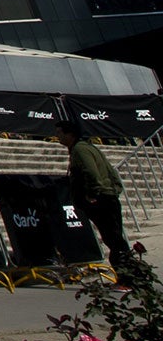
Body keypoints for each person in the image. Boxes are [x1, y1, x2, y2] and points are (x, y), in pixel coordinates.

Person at [56, 119, 139, 278]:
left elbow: (91, 172)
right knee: (114, 238)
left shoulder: (80, 150)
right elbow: (111, 171)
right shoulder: (87, 147)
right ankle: (131, 276)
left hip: (102, 200)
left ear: (70, 134)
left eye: (60, 133)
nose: (57, 136)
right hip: (108, 197)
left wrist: (95, 194)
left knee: (113, 240)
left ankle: (128, 278)